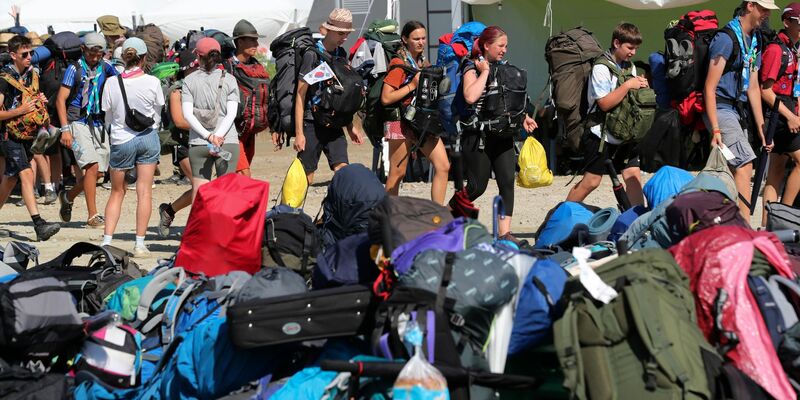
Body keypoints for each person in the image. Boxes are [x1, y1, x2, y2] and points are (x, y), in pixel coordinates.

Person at [461, 26, 537, 244]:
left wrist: (524, 117)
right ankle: (447, 219)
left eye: (506, 46)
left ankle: (504, 233)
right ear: (486, 45)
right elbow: (470, 96)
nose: (504, 50)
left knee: (507, 182)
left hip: (503, 135)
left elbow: (508, 101)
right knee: (477, 187)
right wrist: (484, 71)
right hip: (478, 136)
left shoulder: (505, 69)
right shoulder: (471, 66)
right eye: (500, 46)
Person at [705, 0, 777, 218]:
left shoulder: (754, 40)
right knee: (745, 163)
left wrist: (762, 128)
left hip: (737, 111)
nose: (766, 14)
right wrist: (716, 129)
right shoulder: (726, 39)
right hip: (719, 107)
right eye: (763, 8)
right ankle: (743, 226)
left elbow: (753, 88)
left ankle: (723, 220)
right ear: (749, 6)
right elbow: (709, 87)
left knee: (731, 168)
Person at [566, 23, 647, 208]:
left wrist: (640, 89)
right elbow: (603, 104)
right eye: (630, 48)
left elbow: (630, 98)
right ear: (617, 43)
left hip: (624, 131)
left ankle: (637, 221)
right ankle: (559, 217)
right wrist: (628, 86)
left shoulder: (629, 67)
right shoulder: (601, 68)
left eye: (636, 48)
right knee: (592, 181)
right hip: (600, 133)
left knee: (632, 175)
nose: (633, 52)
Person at [99, 38, 163, 255]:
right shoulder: (153, 82)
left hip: (121, 139)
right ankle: (140, 243)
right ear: (144, 58)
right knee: (144, 192)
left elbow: (107, 115)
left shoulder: (111, 83)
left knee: (117, 192)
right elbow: (157, 114)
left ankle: (107, 240)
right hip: (147, 137)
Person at [290, 8, 363, 184]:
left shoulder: (341, 54)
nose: (344, 37)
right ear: (328, 30)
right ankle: (291, 211)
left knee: (343, 171)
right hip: (311, 123)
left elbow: (341, 94)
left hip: (334, 122)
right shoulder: (312, 55)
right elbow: (300, 94)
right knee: (305, 178)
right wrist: (299, 134)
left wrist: (350, 125)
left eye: (346, 33)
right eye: (340, 33)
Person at [381, 21, 450, 205]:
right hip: (399, 122)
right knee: (398, 173)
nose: (421, 42)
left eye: (423, 38)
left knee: (443, 166)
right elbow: (386, 98)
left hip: (422, 121)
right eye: (416, 38)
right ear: (405, 39)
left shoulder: (422, 62)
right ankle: (388, 219)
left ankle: (437, 216)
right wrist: (412, 85)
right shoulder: (398, 64)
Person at [0, 35, 60, 241]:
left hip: (27, 134)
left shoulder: (31, 75)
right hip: (8, 135)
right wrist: (21, 110)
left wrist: (38, 100)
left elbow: (31, 100)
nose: (29, 57)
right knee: (26, 174)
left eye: (31, 53)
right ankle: (39, 224)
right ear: (13, 55)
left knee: (10, 179)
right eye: (24, 54)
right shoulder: (4, 79)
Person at [57, 32, 117, 228]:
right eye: (92, 53)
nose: (95, 58)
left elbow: (120, 86)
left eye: (99, 54)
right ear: (83, 50)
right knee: (90, 167)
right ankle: (92, 215)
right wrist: (65, 129)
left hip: (98, 123)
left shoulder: (106, 67)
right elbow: (60, 99)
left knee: (98, 173)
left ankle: (68, 196)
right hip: (77, 121)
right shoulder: (74, 69)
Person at [181, 37, 240, 200]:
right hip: (227, 141)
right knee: (226, 191)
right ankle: (225, 226)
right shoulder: (230, 79)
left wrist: (209, 137)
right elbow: (231, 113)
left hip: (200, 143)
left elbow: (187, 114)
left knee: (199, 192)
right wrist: (218, 136)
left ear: (198, 56)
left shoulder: (189, 81)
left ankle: (199, 226)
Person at [760, 2, 800, 226]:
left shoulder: (795, 49)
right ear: (787, 22)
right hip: (778, 112)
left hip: (789, 107)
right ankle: (785, 216)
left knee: (775, 169)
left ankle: (769, 224)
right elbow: (766, 91)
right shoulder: (776, 49)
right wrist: (791, 116)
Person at [158, 49, 197, 238]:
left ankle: (169, 211)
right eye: (196, 66)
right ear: (186, 69)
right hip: (182, 144)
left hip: (203, 143)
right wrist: (208, 128)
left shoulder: (203, 87)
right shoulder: (177, 91)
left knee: (202, 188)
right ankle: (196, 229)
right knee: (201, 187)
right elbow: (180, 121)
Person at [225, 19, 267, 177]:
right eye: (252, 40)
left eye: (256, 40)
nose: (256, 44)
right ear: (240, 41)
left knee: (236, 175)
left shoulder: (258, 67)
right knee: (244, 173)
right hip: (231, 131)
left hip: (249, 131)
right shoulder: (227, 67)